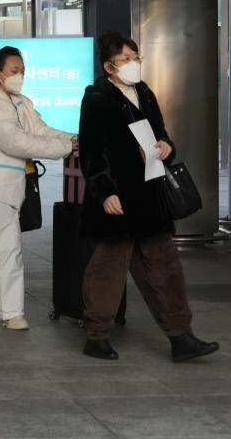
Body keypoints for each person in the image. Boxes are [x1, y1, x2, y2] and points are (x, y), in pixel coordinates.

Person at [78, 32, 219, 362]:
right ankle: (96, 336)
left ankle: (181, 337)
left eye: (136, 57)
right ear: (109, 66)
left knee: (166, 269)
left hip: (151, 195)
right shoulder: (97, 98)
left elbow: (160, 135)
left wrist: (167, 146)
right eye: (126, 59)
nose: (134, 63)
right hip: (119, 199)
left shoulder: (144, 92)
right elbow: (92, 152)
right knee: (107, 271)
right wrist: (105, 192)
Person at [0, 47, 75, 330]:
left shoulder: (20, 103)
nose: (20, 75)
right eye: (14, 70)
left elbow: (40, 131)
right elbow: (15, 142)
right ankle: (11, 313)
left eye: (22, 70)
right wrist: (65, 148)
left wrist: (73, 138)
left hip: (8, 187)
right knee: (8, 248)